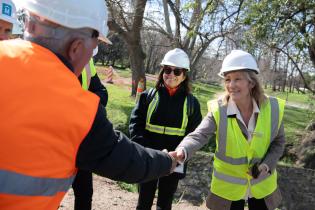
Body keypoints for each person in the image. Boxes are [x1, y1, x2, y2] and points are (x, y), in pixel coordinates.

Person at [0, 0, 177, 209]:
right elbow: (129, 162)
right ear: (75, 47)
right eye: (92, 49)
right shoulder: (80, 112)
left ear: (30, 23)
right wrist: (167, 161)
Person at [171, 50, 286, 210]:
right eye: (227, 79)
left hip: (261, 186)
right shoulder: (219, 110)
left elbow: (279, 143)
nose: (231, 85)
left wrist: (267, 165)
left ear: (251, 82)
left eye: (237, 79)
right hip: (227, 190)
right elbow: (199, 135)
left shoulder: (272, 109)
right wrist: (182, 150)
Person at [129, 48, 202, 210]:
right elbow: (135, 126)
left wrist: (180, 153)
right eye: (167, 70)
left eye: (177, 71)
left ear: (184, 76)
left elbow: (195, 134)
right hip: (149, 157)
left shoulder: (191, 104)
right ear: (162, 71)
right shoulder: (147, 97)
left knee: (165, 202)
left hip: (175, 160)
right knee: (144, 201)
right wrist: (146, 150)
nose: (171, 75)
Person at [72, 52, 109, 210]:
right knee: (47, 192)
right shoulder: (52, 59)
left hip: (82, 140)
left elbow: (102, 92)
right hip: (56, 139)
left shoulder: (88, 62)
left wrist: (84, 103)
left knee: (84, 192)